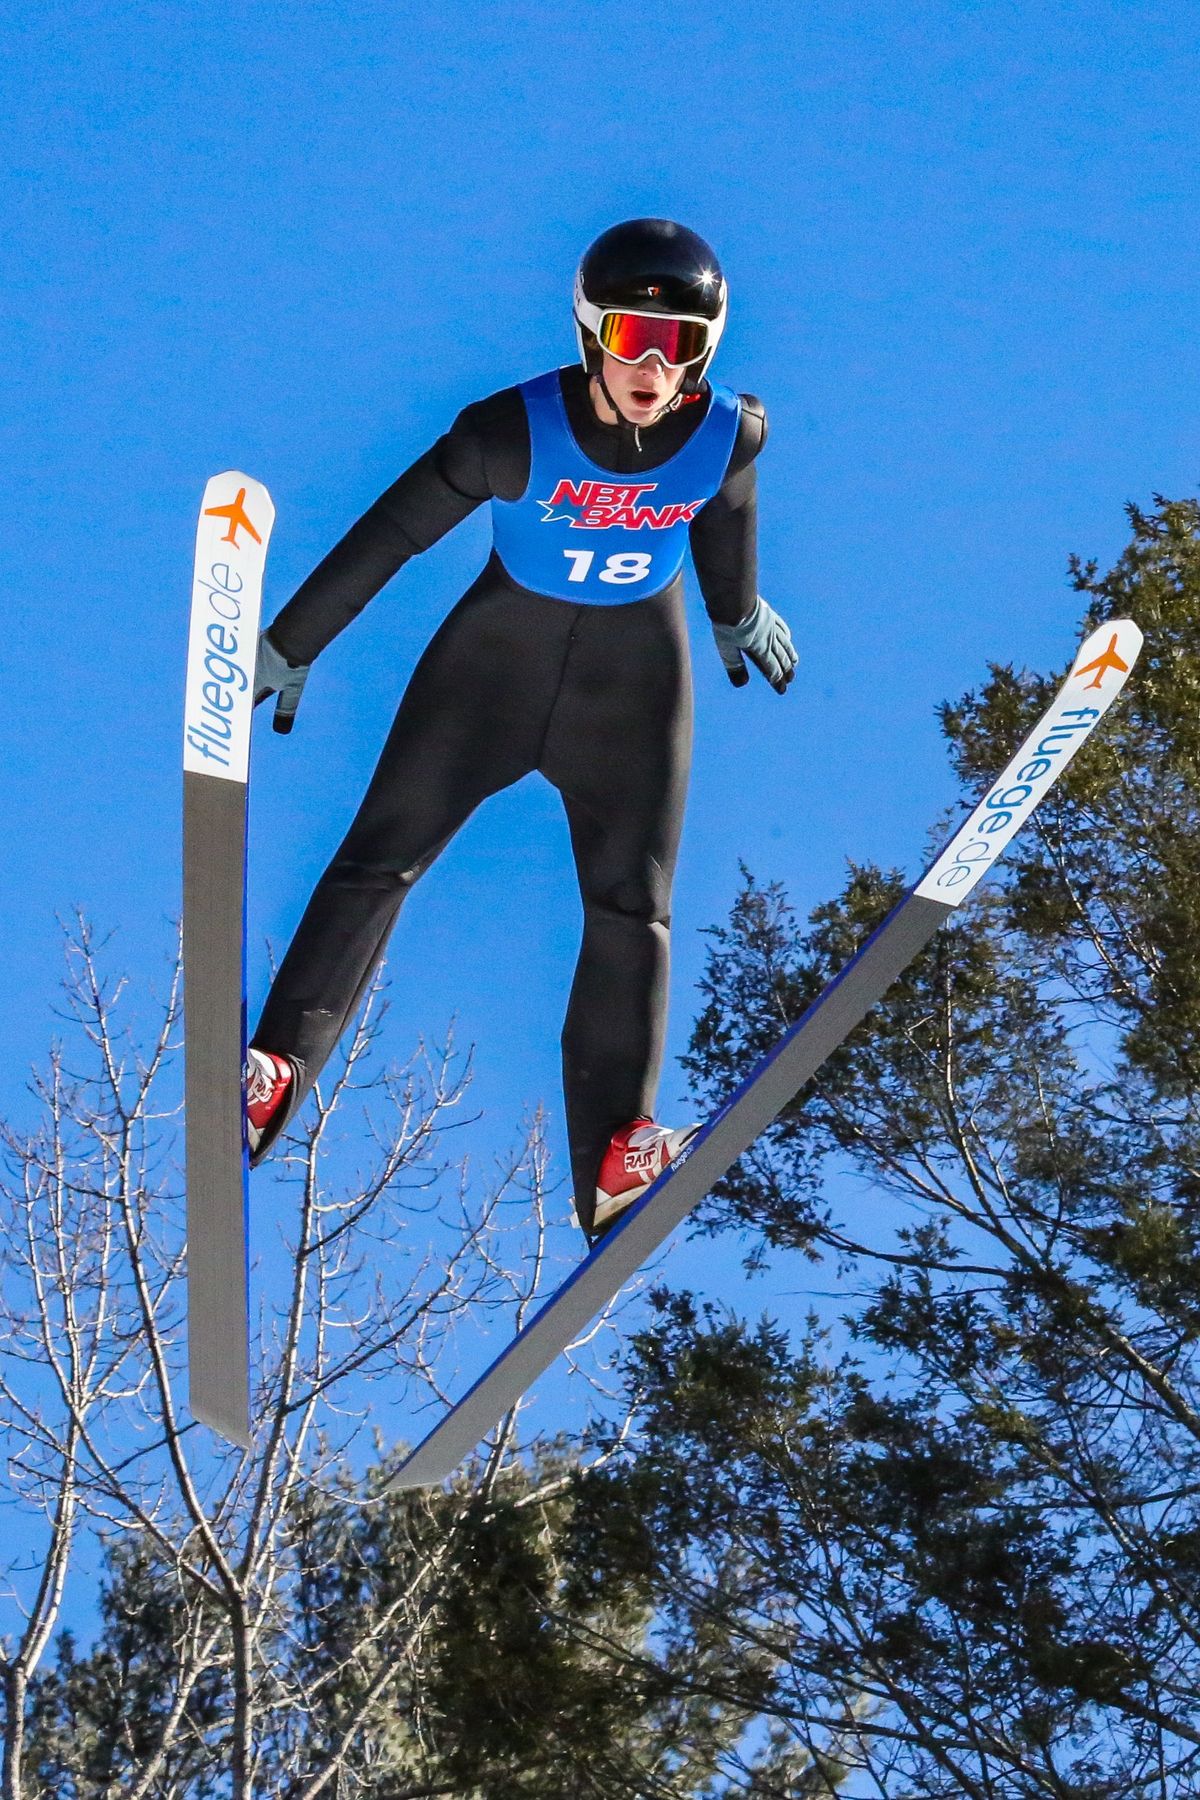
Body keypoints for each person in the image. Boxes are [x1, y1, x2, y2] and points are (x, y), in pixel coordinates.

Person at [247, 217, 796, 1244]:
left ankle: (614, 1161)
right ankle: (273, 1071)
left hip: (632, 690)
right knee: (380, 860)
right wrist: (296, 638)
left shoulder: (729, 432)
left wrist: (735, 615)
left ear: (707, 351)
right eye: (633, 337)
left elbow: (725, 520)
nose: (651, 365)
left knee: (634, 907)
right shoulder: (512, 431)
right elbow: (395, 532)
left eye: (677, 344)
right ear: (592, 335)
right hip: (492, 673)